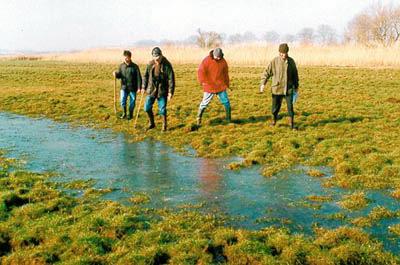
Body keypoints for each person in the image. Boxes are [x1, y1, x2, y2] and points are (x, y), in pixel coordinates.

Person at [259, 43, 299, 130]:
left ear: (287, 52)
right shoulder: (274, 61)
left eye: (284, 53)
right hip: (276, 88)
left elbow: (295, 75)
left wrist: (296, 87)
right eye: (280, 53)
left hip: (288, 89)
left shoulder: (291, 62)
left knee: (290, 108)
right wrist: (263, 84)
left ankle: (291, 125)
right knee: (275, 108)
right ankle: (274, 121)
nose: (282, 55)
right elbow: (266, 73)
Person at [142, 47, 175, 132]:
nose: (156, 60)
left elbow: (171, 79)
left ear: (161, 55)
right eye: (155, 58)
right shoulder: (150, 64)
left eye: (158, 58)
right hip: (151, 89)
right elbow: (145, 76)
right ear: (153, 57)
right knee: (146, 108)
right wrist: (143, 87)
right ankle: (152, 123)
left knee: (162, 109)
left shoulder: (167, 64)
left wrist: (170, 92)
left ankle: (164, 126)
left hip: (162, 90)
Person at [196, 48, 231, 126]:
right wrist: (202, 82)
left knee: (226, 102)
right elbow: (201, 71)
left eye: (219, 57)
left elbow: (225, 74)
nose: (218, 58)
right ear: (213, 55)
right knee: (204, 103)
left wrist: (227, 84)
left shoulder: (223, 61)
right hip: (209, 86)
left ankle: (228, 119)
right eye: (216, 57)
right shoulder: (206, 60)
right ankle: (199, 118)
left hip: (220, 85)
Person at [113, 50, 142, 120]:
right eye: (125, 57)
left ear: (130, 57)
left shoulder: (135, 67)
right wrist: (116, 74)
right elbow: (120, 75)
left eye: (127, 57)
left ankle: (131, 114)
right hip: (124, 87)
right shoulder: (121, 66)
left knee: (132, 102)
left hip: (133, 87)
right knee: (122, 100)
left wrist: (139, 88)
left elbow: (139, 78)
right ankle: (124, 113)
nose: (126, 59)